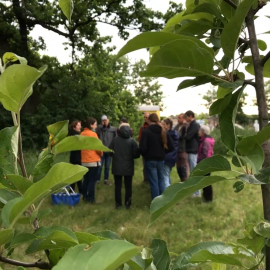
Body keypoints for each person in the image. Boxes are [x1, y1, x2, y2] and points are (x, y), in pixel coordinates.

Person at [140, 113, 174, 200]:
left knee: (154, 183)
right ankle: (163, 202)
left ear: (149, 120)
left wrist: (146, 155)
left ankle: (156, 204)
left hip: (150, 160)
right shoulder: (163, 131)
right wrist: (163, 152)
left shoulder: (146, 131)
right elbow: (171, 147)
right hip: (161, 159)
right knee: (161, 181)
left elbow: (142, 148)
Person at [109, 124, 140, 209]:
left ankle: (118, 204)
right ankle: (128, 203)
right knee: (128, 186)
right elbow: (137, 154)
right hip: (128, 166)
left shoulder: (115, 140)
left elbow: (109, 152)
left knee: (117, 186)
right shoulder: (132, 141)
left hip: (117, 166)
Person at [81, 117, 103, 203]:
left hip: (84, 161)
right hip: (93, 161)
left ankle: (84, 196)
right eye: (95, 124)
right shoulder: (93, 134)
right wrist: (101, 154)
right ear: (91, 125)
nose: (96, 126)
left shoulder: (82, 134)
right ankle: (91, 198)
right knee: (92, 180)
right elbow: (98, 147)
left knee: (85, 179)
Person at [96, 115, 117, 185]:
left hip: (109, 150)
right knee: (100, 166)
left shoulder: (113, 129)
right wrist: (101, 126)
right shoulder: (99, 128)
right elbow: (96, 134)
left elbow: (115, 138)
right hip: (101, 150)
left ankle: (106, 179)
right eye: (103, 120)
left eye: (105, 120)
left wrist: (113, 148)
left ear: (108, 120)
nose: (104, 121)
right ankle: (97, 180)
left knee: (107, 166)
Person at [184, 110, 200, 197]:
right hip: (190, 150)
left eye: (186, 117)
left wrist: (183, 136)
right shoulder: (191, 125)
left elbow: (188, 136)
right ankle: (194, 190)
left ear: (191, 116)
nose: (185, 119)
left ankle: (197, 192)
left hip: (193, 150)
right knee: (192, 170)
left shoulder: (194, 125)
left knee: (194, 171)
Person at [198, 125, 215, 202]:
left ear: (203, 132)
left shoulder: (206, 141)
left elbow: (204, 153)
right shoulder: (206, 139)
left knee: (206, 181)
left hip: (205, 164)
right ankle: (206, 197)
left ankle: (208, 198)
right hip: (208, 163)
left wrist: (198, 161)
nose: (198, 132)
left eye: (199, 131)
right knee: (205, 180)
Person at [162, 118, 179, 187]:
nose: (161, 126)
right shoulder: (175, 134)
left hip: (167, 157)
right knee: (167, 174)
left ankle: (167, 195)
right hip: (173, 157)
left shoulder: (167, 135)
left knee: (164, 177)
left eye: (163, 124)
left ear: (168, 125)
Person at [68, 120, 83, 193]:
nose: (80, 126)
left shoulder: (72, 134)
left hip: (73, 157)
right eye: (78, 125)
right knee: (77, 174)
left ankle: (73, 189)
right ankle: (79, 189)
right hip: (77, 157)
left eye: (80, 125)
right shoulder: (76, 136)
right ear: (74, 127)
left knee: (74, 174)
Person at [174, 113, 188, 182]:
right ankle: (181, 180)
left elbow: (180, 136)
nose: (178, 119)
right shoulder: (177, 126)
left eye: (180, 118)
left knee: (183, 167)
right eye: (178, 118)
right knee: (178, 167)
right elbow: (174, 133)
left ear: (184, 119)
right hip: (177, 148)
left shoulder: (186, 127)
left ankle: (185, 181)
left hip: (183, 149)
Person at [138, 112, 150, 183]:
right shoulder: (142, 127)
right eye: (144, 117)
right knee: (145, 165)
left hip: (151, 149)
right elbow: (139, 138)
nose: (145, 119)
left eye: (147, 117)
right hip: (145, 149)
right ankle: (146, 180)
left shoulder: (152, 126)